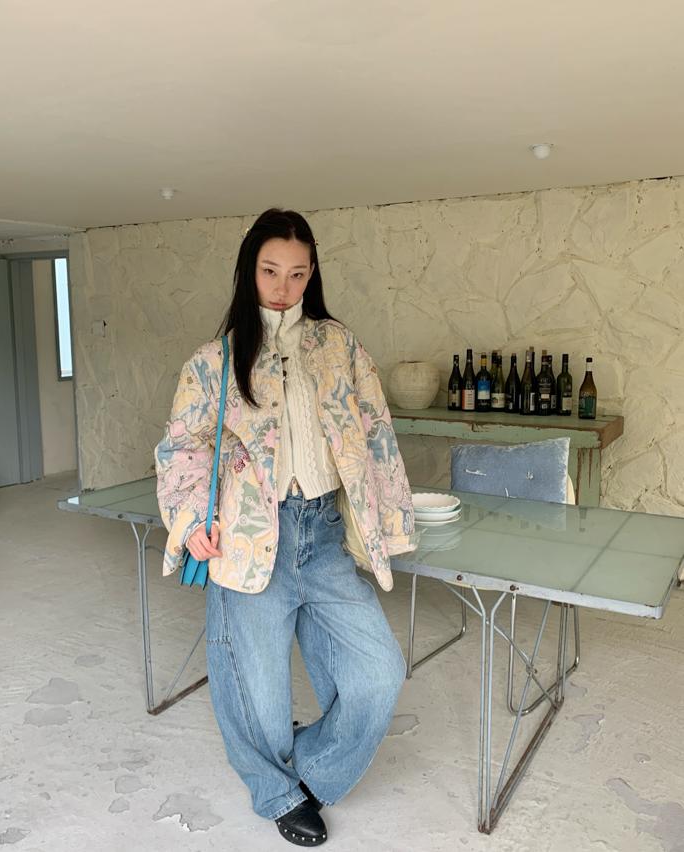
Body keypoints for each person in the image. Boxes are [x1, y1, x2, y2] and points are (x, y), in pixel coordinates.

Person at [155, 208, 417, 846]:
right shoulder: (215, 361)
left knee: (379, 672)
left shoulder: (339, 346)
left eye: (297, 273)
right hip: (248, 538)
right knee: (258, 694)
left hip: (321, 536)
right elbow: (182, 447)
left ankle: (312, 770)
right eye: (271, 270)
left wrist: (388, 521)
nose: (283, 286)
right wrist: (190, 521)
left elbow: (377, 432)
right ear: (249, 269)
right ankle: (274, 791)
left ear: (312, 274)